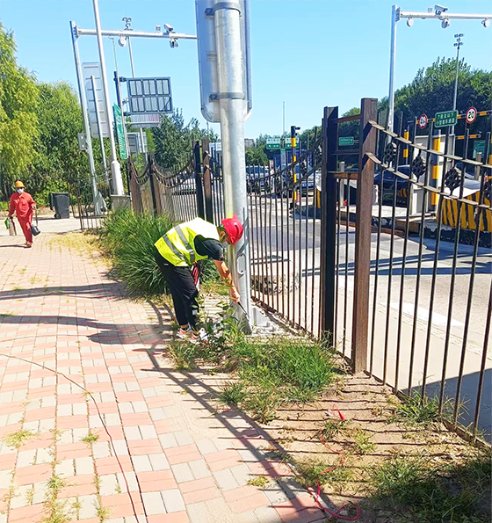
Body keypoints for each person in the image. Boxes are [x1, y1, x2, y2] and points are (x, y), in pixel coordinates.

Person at [154, 216, 243, 343]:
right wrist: (233, 291)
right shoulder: (213, 244)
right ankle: (197, 334)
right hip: (171, 256)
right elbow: (223, 271)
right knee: (191, 295)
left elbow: (191, 240)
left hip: (163, 251)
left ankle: (184, 329)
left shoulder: (209, 228)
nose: (227, 244)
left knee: (179, 292)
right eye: (228, 241)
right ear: (223, 233)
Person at [8, 181, 36, 248]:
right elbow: (12, 207)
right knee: (24, 229)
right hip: (20, 216)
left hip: (28, 215)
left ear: (23, 188)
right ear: (16, 189)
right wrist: (10, 214)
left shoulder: (27, 196)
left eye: (20, 188)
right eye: (18, 188)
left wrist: (33, 206)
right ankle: (27, 240)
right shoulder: (13, 197)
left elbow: (32, 202)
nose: (19, 189)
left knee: (27, 227)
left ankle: (29, 242)